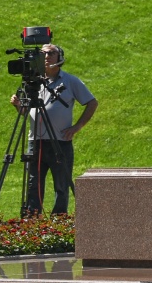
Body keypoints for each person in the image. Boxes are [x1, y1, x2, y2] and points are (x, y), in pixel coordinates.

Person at [8, 43, 98, 215]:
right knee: (33, 184)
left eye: (50, 53)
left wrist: (77, 127)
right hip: (35, 141)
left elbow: (92, 103)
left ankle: (59, 219)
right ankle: (33, 218)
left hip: (60, 141)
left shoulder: (70, 81)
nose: (46, 57)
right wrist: (18, 106)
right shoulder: (31, 82)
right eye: (43, 54)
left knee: (61, 184)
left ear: (60, 57)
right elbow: (26, 112)